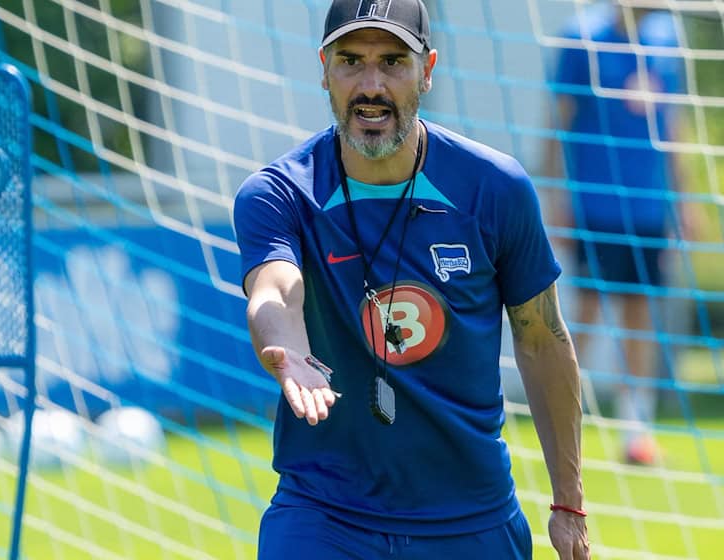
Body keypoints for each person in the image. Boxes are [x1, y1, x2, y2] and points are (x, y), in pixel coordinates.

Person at [233, 0, 589, 558]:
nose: (370, 85)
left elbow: (543, 340)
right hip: (324, 515)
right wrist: (288, 346)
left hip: (471, 518)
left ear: (427, 70)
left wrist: (569, 503)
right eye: (351, 61)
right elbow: (276, 288)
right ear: (324, 68)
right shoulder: (279, 193)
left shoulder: (494, 188)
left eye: (393, 62)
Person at [545, 1, 689, 466]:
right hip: (594, 206)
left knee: (642, 316)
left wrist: (682, 202)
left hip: (649, 209)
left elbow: (675, 126)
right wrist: (555, 198)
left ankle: (635, 430)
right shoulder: (582, 37)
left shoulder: (669, 39)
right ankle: (563, 418)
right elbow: (557, 124)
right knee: (585, 313)